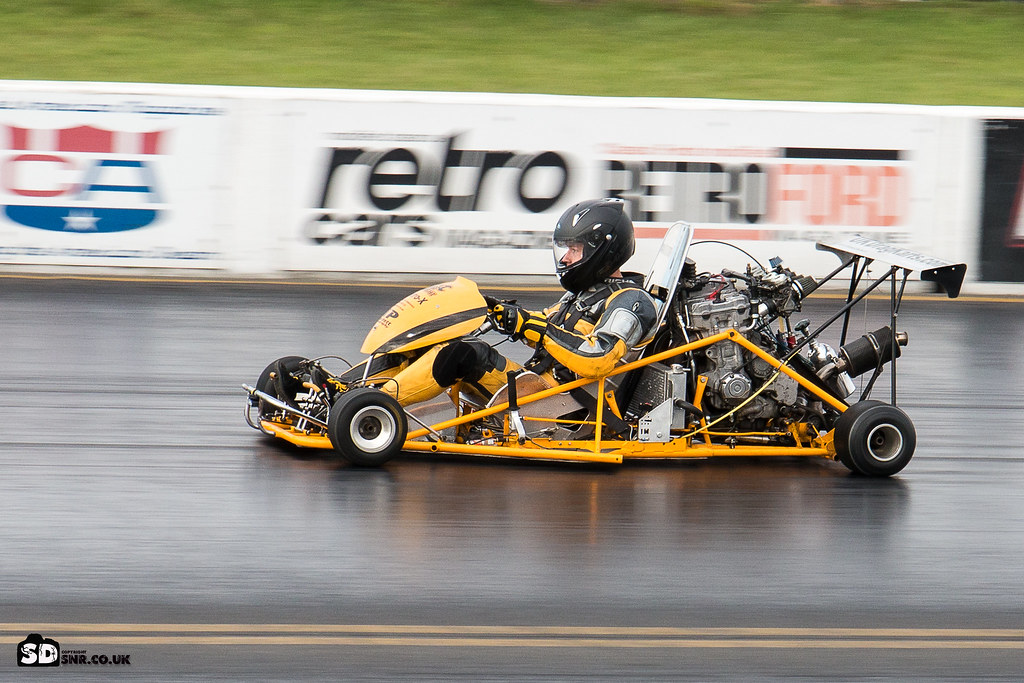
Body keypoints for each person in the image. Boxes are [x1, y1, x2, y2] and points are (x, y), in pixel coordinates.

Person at [382, 198, 659, 408]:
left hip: (561, 404)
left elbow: (598, 359)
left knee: (460, 356)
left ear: (602, 250)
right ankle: (356, 392)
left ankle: (376, 406)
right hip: (537, 384)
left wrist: (535, 328)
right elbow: (547, 323)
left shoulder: (631, 302)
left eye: (574, 250)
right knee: (439, 342)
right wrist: (508, 316)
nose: (565, 258)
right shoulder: (585, 292)